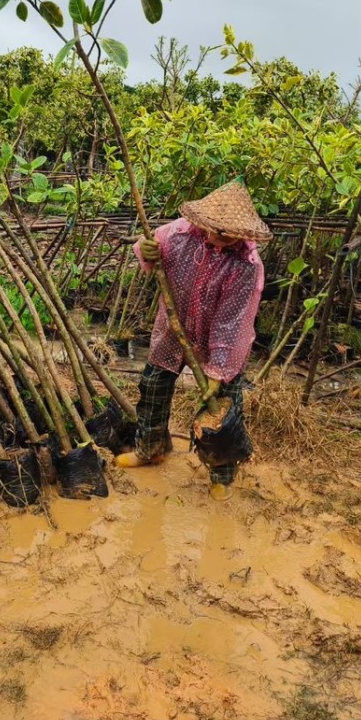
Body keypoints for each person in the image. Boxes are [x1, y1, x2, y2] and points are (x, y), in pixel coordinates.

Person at [115, 180, 271, 500]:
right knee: (154, 388)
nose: (216, 236)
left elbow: (234, 322)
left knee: (223, 410)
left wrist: (217, 373)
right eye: (212, 228)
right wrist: (146, 251)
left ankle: (222, 473)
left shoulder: (246, 266)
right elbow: (152, 247)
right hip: (174, 330)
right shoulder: (180, 233)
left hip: (219, 343)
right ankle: (151, 448)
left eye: (226, 233)